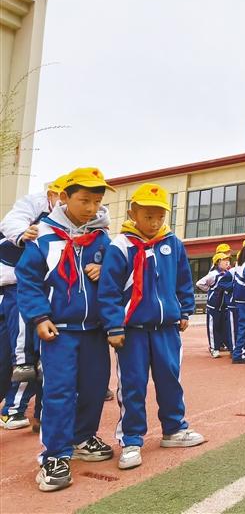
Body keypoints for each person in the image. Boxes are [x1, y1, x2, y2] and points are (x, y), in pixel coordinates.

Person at [15, 168, 114, 491]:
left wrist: (105, 268)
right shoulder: (43, 236)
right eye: (84, 200)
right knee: (59, 392)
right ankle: (55, 455)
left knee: (95, 388)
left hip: (95, 330)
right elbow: (28, 280)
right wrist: (39, 317)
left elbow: (121, 273)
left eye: (97, 202)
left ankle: (83, 438)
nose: (91, 208)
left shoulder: (102, 237)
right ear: (64, 198)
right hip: (58, 331)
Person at [98, 183, 204, 471]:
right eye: (148, 216)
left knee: (170, 379)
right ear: (132, 213)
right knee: (132, 385)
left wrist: (185, 309)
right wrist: (114, 326)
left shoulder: (173, 243)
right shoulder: (121, 246)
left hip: (166, 329)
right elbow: (108, 290)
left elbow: (183, 280)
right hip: (132, 331)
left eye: (160, 216)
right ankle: (131, 440)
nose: (155, 222)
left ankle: (174, 429)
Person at [0, 174, 68, 430]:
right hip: (16, 289)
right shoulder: (33, 207)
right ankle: (13, 409)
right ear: (52, 195)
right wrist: (22, 233)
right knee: (22, 357)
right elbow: (13, 221)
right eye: (60, 197)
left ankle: (40, 412)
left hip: (46, 290)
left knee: (44, 356)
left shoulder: (71, 220)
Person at [196, 252, 232, 358]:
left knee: (225, 327)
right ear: (218, 262)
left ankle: (228, 346)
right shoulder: (213, 274)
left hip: (224, 305)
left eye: (227, 260)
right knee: (213, 327)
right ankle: (213, 348)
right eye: (224, 260)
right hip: (214, 306)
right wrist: (210, 290)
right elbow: (199, 283)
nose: (227, 262)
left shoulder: (228, 273)